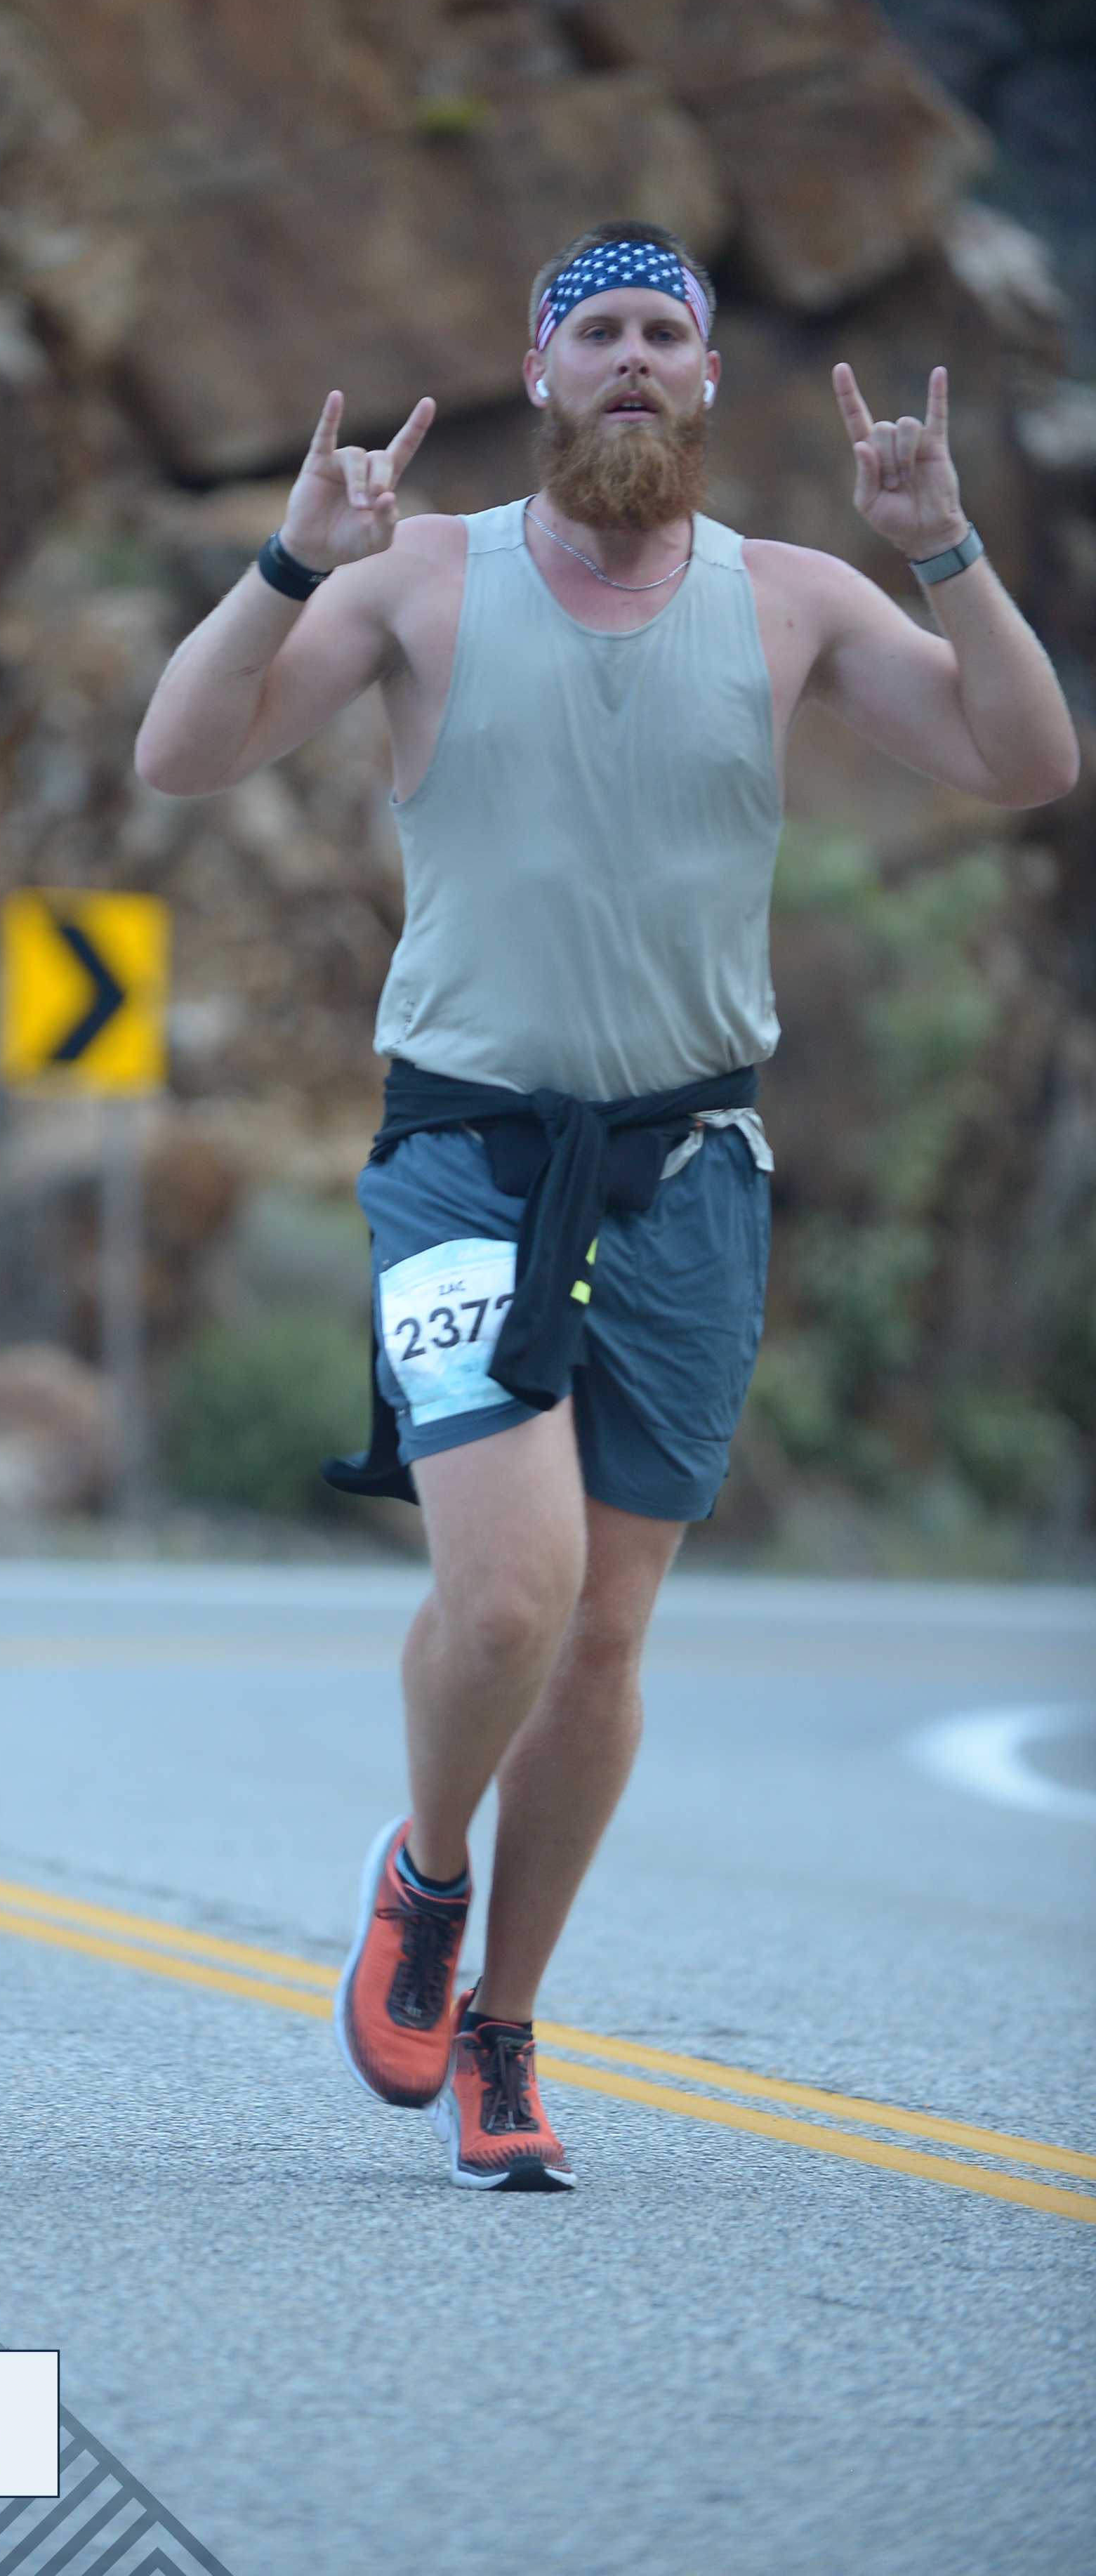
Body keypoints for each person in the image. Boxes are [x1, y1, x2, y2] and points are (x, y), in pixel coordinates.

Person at [133, 221, 1079, 2191]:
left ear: (709, 377)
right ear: (540, 371)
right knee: (507, 1594)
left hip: (690, 1174)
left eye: (667, 330)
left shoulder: (794, 597)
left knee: (604, 1638)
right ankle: (427, 1875)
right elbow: (184, 753)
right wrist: (292, 559)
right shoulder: (418, 577)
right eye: (600, 332)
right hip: (468, 1155)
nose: (633, 357)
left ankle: (504, 2026)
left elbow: (1026, 758)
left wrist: (945, 551)